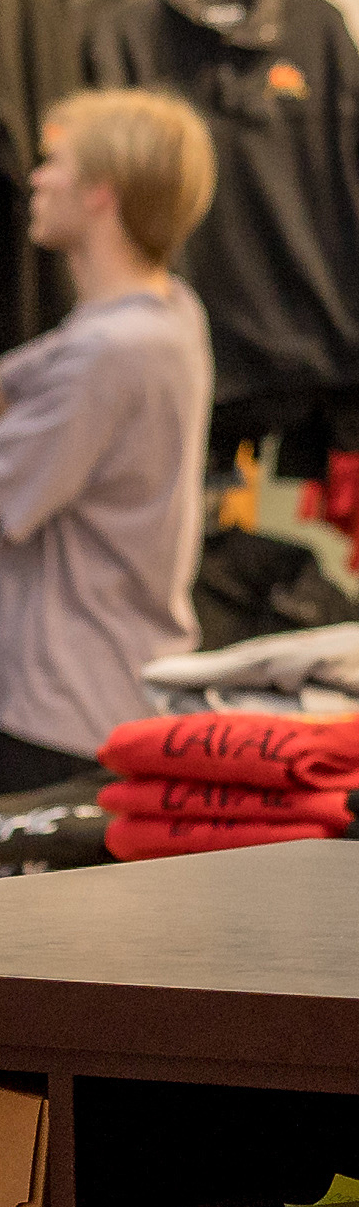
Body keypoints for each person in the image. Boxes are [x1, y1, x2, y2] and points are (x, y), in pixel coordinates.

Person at [0, 88, 217, 790]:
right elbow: (41, 369)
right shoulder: (171, 311)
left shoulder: (111, 353)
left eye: (55, 161)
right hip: (119, 685)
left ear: (102, 191)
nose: (37, 177)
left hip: (62, 708)